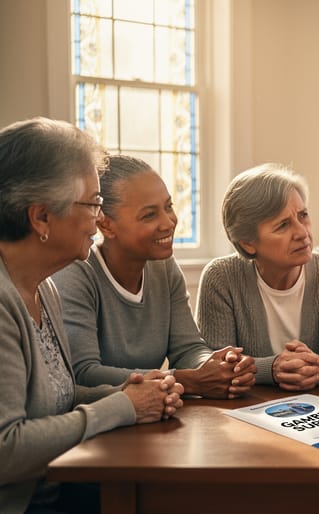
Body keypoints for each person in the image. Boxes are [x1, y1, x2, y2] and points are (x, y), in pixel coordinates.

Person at [0, 117, 184, 513]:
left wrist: (132, 392)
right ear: (41, 217)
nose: (99, 220)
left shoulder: (43, 287)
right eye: (93, 204)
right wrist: (123, 407)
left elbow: (59, 400)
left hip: (59, 489)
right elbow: (7, 450)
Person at [52, 155, 256, 399]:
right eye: (149, 215)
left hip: (155, 411)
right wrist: (187, 380)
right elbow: (84, 373)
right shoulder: (76, 273)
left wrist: (216, 365)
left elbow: (188, 349)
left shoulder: (164, 267)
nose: (168, 222)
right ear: (105, 225)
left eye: (168, 206)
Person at [195, 163, 319, 390]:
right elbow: (215, 367)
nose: (302, 232)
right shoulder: (221, 278)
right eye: (283, 225)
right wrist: (271, 369)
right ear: (248, 243)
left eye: (303, 215)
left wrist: (318, 368)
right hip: (246, 408)